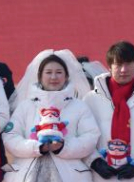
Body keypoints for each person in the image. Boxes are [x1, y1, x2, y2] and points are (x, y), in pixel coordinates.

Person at [2, 50, 101, 182]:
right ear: (40, 76)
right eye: (48, 73)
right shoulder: (26, 106)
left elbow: (90, 137)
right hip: (26, 175)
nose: (54, 77)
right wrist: (36, 147)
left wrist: (63, 147)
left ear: (66, 76)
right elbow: (10, 137)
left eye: (59, 72)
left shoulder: (79, 106)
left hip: (71, 175)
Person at [84, 41, 134, 182]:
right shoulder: (90, 100)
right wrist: (94, 162)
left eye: (128, 63)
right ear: (109, 67)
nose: (123, 70)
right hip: (101, 177)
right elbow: (82, 135)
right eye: (118, 64)